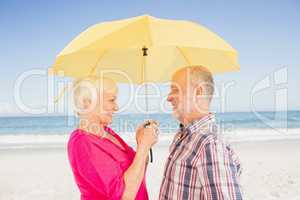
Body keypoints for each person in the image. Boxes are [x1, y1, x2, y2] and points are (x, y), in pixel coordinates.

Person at [67, 76, 158, 200]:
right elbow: (124, 196)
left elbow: (136, 171)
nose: (116, 107)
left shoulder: (106, 132)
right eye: (111, 100)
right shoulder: (83, 142)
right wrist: (143, 147)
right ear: (88, 102)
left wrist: (142, 142)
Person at [159, 66, 242, 200]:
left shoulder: (210, 145)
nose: (169, 97)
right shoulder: (183, 135)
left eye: (175, 89)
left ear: (198, 92)